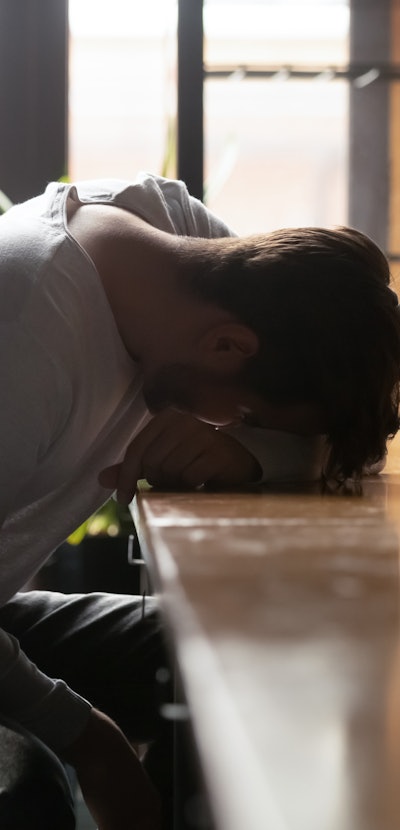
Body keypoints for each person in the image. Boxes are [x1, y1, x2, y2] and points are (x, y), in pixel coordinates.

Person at [0, 172, 399, 830]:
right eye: (243, 413)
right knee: (32, 797)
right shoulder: (27, 329)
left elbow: (340, 442)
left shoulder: (176, 239)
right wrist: (91, 741)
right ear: (226, 347)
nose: (229, 424)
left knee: (205, 649)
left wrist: (253, 453)